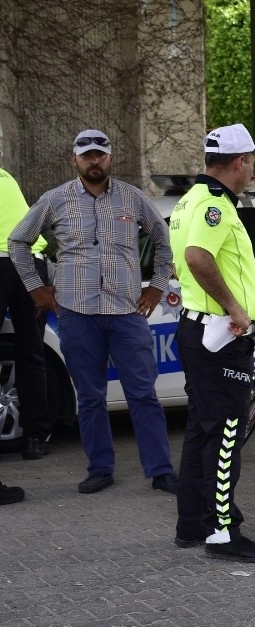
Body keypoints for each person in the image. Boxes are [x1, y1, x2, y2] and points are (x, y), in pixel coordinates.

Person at [8, 129, 176, 494]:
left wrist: (158, 286)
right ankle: (100, 468)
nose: (93, 160)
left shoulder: (133, 199)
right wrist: (35, 288)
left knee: (143, 395)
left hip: (126, 313)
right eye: (86, 155)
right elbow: (18, 241)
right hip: (77, 314)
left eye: (100, 154)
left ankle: (161, 471)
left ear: (110, 158)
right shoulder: (55, 200)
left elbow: (164, 242)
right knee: (89, 396)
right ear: (75, 159)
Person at [169, 123, 255, 562]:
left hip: (200, 329)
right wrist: (235, 306)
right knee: (227, 430)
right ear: (240, 161)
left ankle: (192, 522)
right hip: (220, 334)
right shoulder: (214, 205)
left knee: (201, 429)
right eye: (252, 160)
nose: (254, 167)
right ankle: (221, 531)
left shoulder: (192, 199)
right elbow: (197, 258)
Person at [0, 168, 51, 461]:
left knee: (30, 352)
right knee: (31, 352)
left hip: (9, 262)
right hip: (32, 261)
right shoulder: (7, 175)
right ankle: (37, 435)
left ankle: (36, 431)